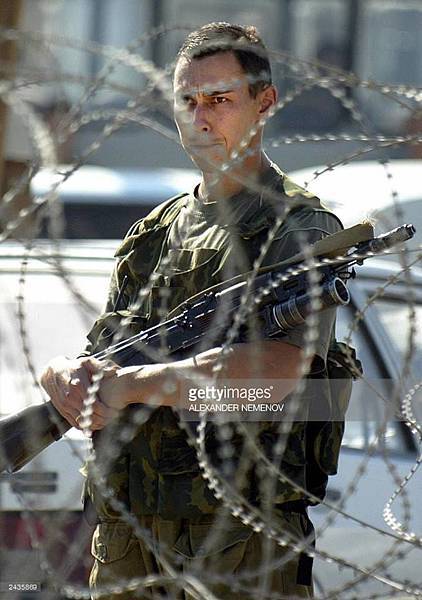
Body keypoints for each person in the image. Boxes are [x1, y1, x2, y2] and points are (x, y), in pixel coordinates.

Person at [41, 22, 350, 599]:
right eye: (188, 100)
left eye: (221, 100)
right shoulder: (153, 235)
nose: (201, 116)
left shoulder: (298, 232)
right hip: (128, 530)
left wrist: (138, 384)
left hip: (235, 539)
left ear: (265, 104)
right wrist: (61, 377)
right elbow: (101, 353)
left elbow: (276, 379)